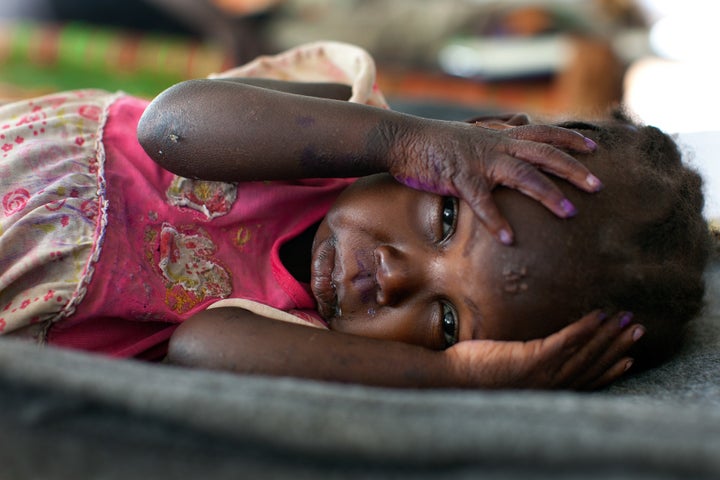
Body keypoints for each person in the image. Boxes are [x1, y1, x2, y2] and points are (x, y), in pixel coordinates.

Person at [0, 42, 708, 389]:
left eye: (449, 322)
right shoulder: (344, 125)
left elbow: (201, 348)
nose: (395, 279)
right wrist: (402, 138)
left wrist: (456, 380)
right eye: (445, 224)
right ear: (477, 137)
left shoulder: (310, 338)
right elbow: (172, 124)